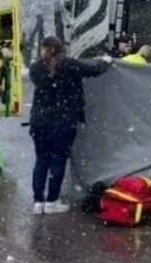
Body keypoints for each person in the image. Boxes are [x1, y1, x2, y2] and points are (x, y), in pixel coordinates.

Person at [28, 35, 111, 215]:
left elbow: (48, 77)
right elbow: (94, 70)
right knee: (58, 161)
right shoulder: (69, 65)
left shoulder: (35, 68)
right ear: (60, 50)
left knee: (41, 161)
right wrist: (105, 61)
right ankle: (52, 201)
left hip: (39, 121)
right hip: (63, 122)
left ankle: (38, 202)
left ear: (43, 49)